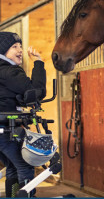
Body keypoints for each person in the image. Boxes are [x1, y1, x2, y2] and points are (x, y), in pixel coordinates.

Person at [0, 31, 46, 197]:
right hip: (5, 130)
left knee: (13, 167)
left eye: (20, 45)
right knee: (25, 166)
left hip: (2, 130)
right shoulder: (10, 72)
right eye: (14, 47)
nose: (20, 50)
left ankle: (13, 196)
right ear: (3, 51)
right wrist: (39, 63)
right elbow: (37, 92)